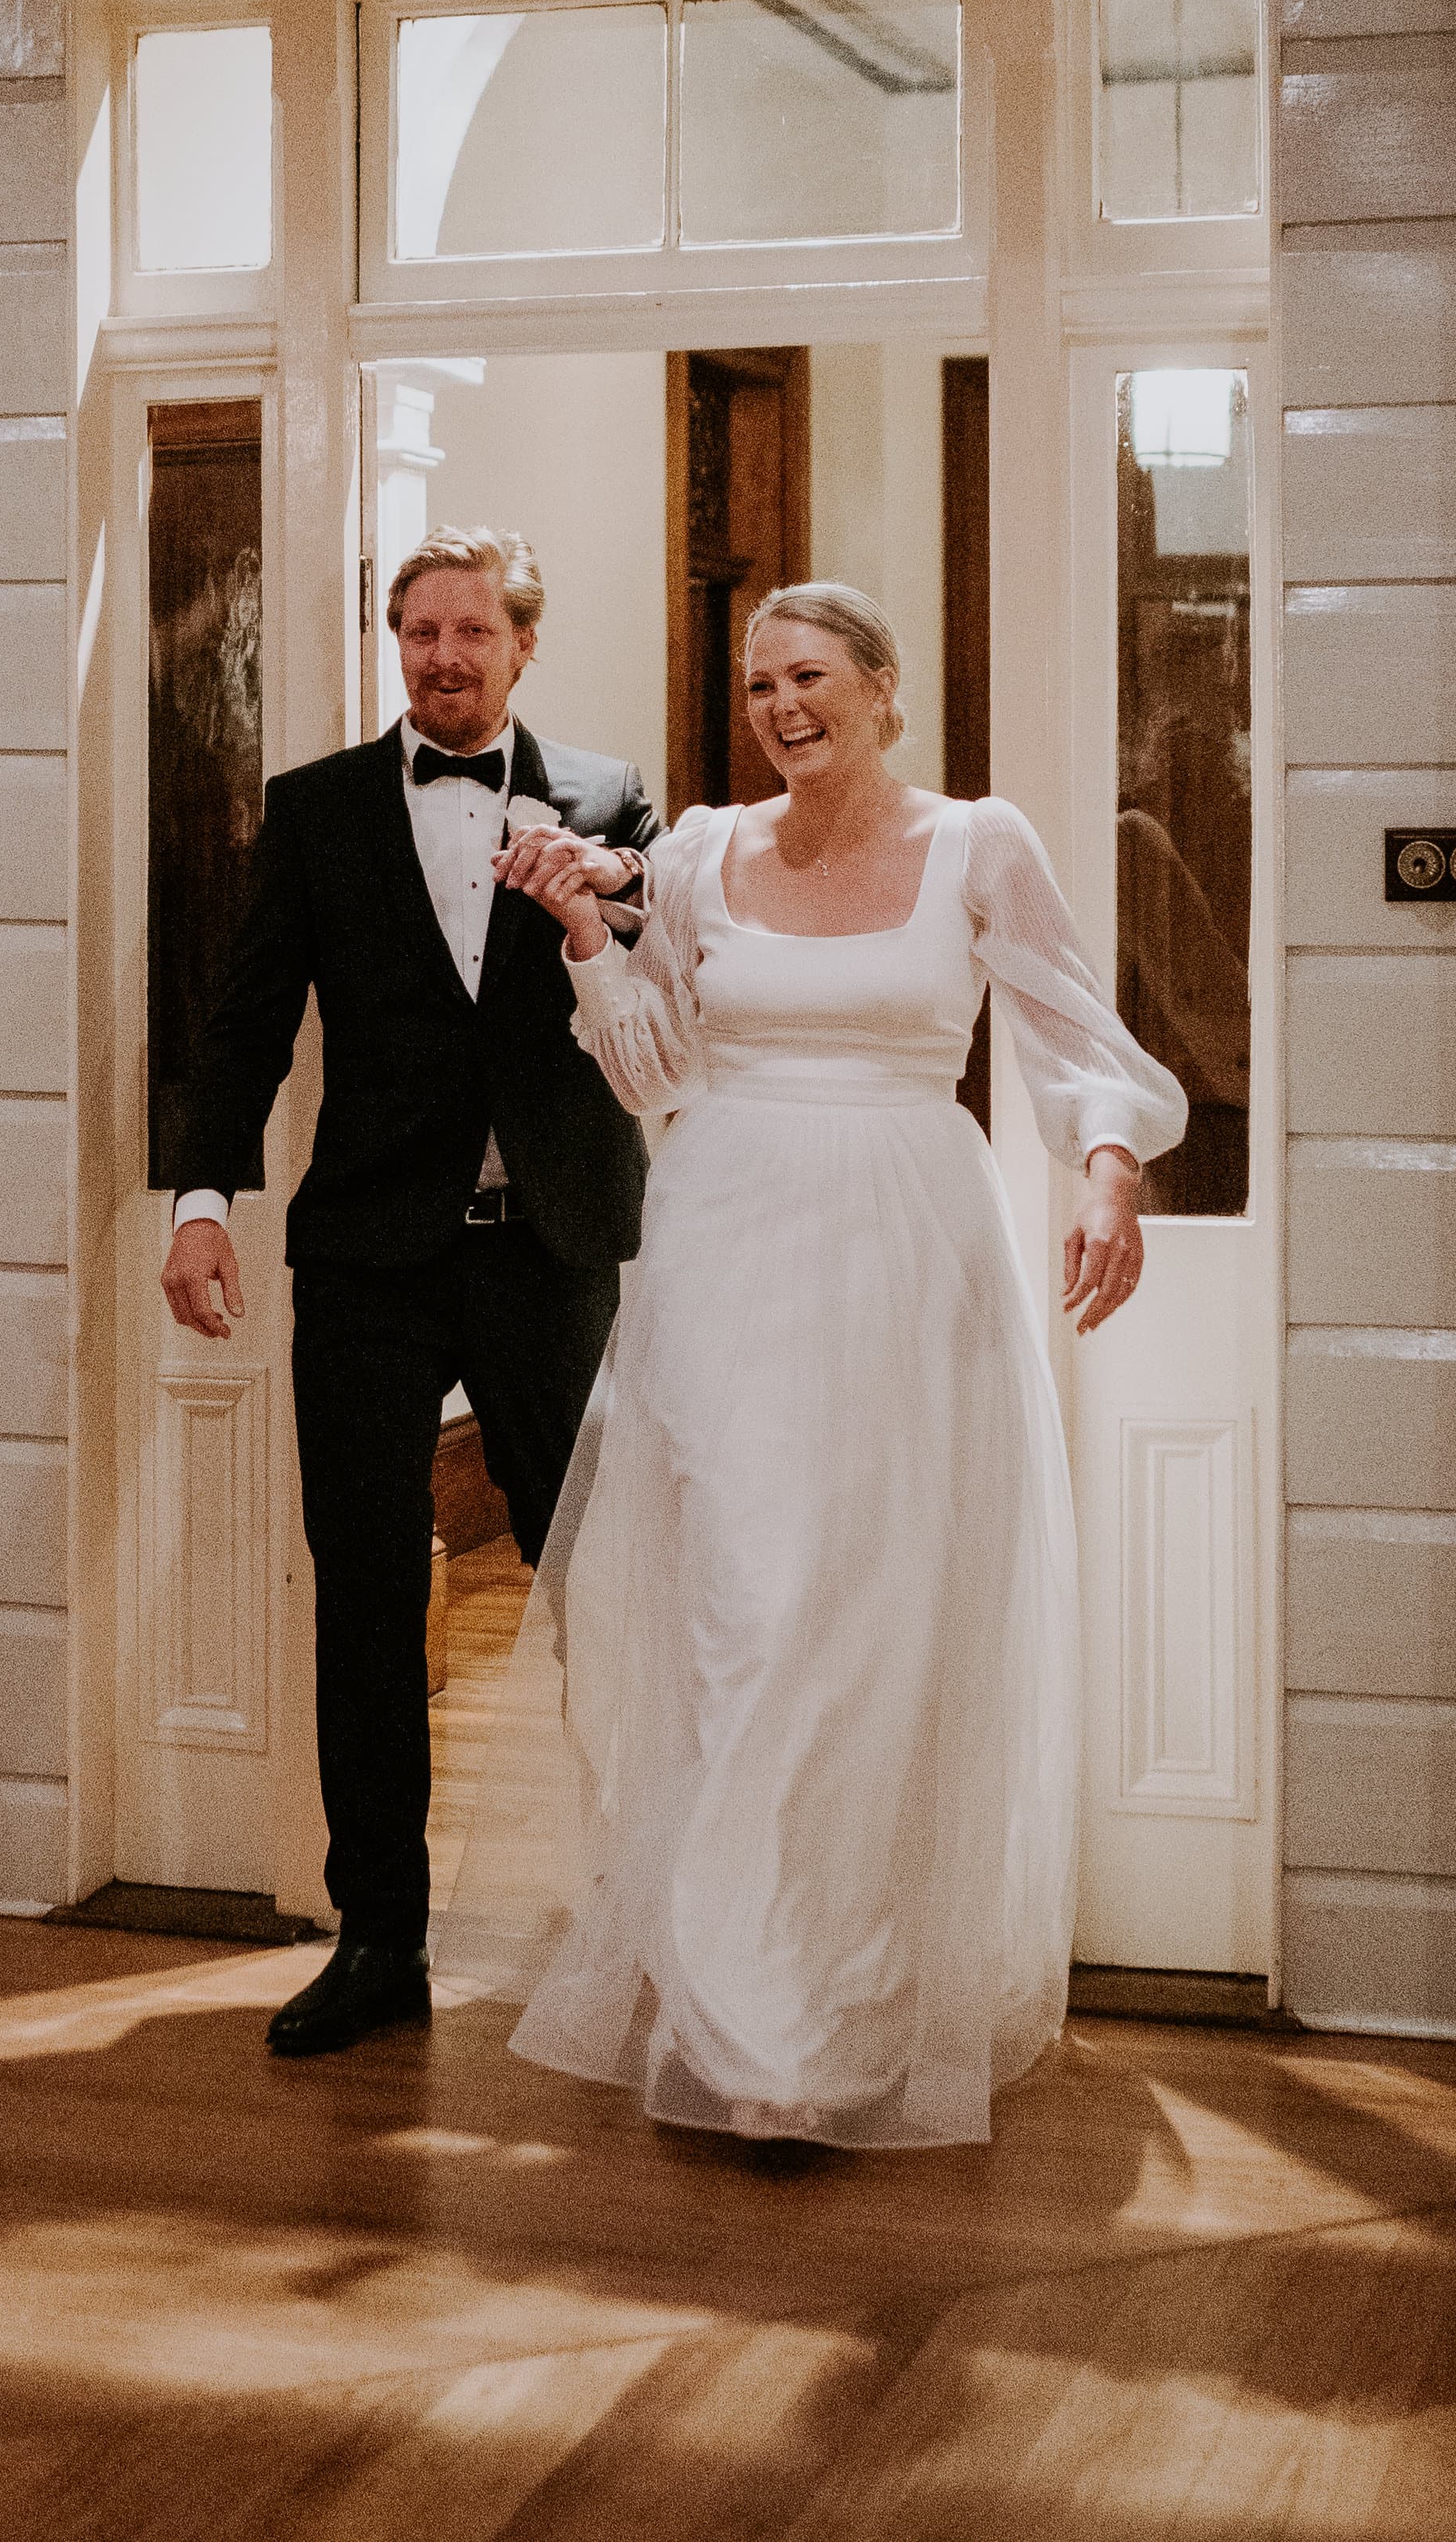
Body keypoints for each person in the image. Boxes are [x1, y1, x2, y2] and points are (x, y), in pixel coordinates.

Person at [464, 579, 1188, 2148]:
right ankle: (742, 2013)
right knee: (743, 1605)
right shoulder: (706, 851)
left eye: (803, 675)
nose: (776, 704)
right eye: (753, 684)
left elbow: (1074, 1033)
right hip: (723, 1246)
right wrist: (590, 929)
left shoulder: (977, 843)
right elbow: (654, 1067)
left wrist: (1109, 1169)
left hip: (905, 1252)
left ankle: (848, 1996)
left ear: (879, 686)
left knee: (871, 1617)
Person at [161, 525, 661, 2058]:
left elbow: (663, 983)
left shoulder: (612, 797)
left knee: (605, 1584)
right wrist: (202, 1202)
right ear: (398, 645)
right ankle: (378, 1937)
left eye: (470, 633)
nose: (442, 658)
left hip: (551, 1245)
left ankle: (643, 1917)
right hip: (369, 1256)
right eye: (418, 633)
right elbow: (243, 1026)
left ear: (521, 646)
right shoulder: (313, 811)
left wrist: (611, 893)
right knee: (367, 1594)